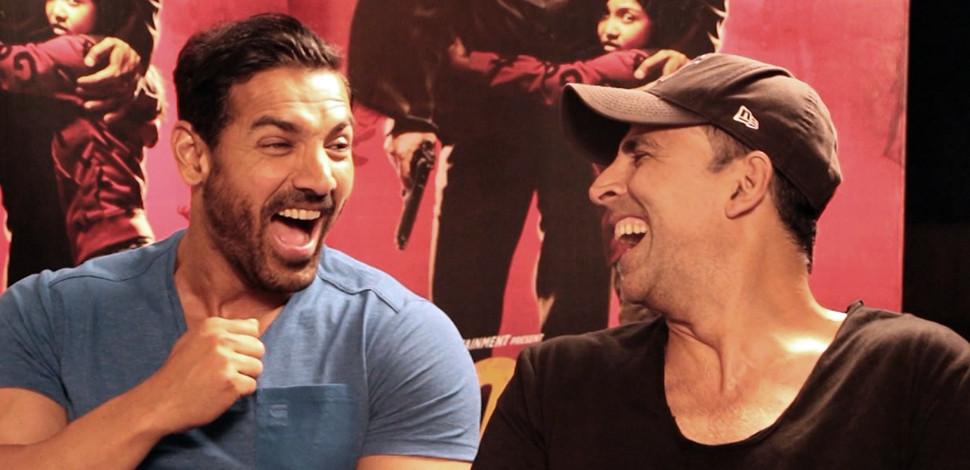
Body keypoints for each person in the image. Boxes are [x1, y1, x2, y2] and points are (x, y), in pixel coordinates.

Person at [0, 12, 480, 469]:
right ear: (193, 156)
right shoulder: (45, 314)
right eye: (278, 144)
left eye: (337, 146)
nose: (321, 179)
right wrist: (154, 405)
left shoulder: (407, 340)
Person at [472, 53, 970, 468]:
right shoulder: (558, 385)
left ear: (744, 184)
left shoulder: (918, 378)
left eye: (640, 155)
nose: (600, 186)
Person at [348, 0, 727, 359]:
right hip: (482, 101)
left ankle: (567, 393)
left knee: (579, 281)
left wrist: (686, 50)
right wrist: (411, 111)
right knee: (466, 284)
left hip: (588, 94)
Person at [0, 0, 159, 285]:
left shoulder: (85, 53)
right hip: (112, 240)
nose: (59, 11)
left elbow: (11, 66)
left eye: (75, 1)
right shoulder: (131, 75)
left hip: (107, 246)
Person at [446, 0, 691, 107]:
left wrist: (472, 64)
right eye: (605, 15)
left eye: (628, 18)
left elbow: (553, 79)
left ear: (657, 25)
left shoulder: (636, 61)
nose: (610, 30)